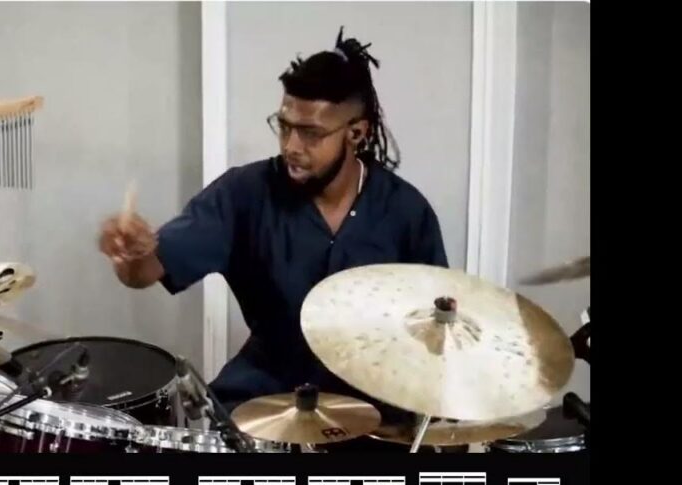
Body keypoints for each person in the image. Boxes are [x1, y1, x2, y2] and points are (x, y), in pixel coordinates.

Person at [97, 28, 448, 424]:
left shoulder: (405, 211)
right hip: (267, 393)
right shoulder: (244, 193)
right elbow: (146, 271)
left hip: (375, 410)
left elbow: (437, 336)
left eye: (311, 133)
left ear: (356, 133)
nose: (291, 146)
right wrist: (130, 255)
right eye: (284, 126)